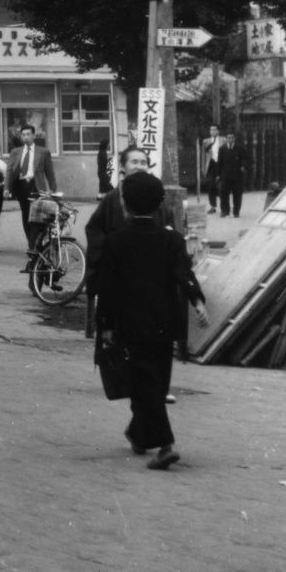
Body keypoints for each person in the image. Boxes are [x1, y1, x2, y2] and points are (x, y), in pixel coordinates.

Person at [96, 172, 208, 470]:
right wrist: (197, 301)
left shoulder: (115, 242)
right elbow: (184, 274)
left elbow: (107, 288)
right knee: (154, 382)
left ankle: (166, 445)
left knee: (145, 385)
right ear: (160, 205)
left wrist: (105, 325)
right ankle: (138, 434)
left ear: (125, 205)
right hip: (165, 324)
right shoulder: (171, 239)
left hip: (130, 325)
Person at [85, 146, 173, 337]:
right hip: (118, 266)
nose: (140, 166)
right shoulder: (112, 198)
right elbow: (94, 228)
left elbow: (168, 223)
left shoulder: (155, 197)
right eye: (134, 162)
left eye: (143, 163)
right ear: (122, 167)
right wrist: (108, 250)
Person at [5, 124, 57, 263]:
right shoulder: (16, 152)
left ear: (34, 136)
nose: (26, 137)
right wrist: (6, 188)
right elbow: (10, 171)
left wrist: (53, 188)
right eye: (23, 135)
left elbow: (49, 171)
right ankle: (31, 244)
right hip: (22, 186)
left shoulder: (43, 151)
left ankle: (35, 244)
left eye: (28, 134)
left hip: (36, 186)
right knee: (26, 215)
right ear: (21, 137)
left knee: (37, 217)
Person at [217, 130, 249, 218]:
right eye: (228, 138)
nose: (230, 139)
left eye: (231, 138)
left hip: (237, 175)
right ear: (226, 139)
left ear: (234, 138)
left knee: (237, 194)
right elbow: (220, 163)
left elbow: (246, 159)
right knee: (224, 193)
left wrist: (243, 166)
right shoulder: (222, 149)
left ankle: (236, 212)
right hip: (225, 175)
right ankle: (225, 211)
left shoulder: (240, 148)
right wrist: (218, 175)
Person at [202, 123, 223, 214]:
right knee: (211, 186)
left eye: (214, 130)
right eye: (211, 130)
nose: (212, 131)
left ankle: (224, 207)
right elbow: (203, 156)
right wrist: (203, 168)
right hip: (211, 165)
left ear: (218, 131)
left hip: (221, 164)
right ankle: (213, 206)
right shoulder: (206, 141)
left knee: (222, 187)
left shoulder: (224, 140)